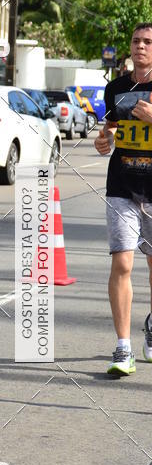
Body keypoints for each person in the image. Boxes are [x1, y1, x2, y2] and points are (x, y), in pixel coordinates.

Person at [94, 22, 152, 376]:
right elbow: (111, 128)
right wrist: (105, 141)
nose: (140, 46)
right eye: (136, 41)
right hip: (122, 187)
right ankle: (123, 346)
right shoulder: (116, 88)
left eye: (148, 41)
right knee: (123, 264)